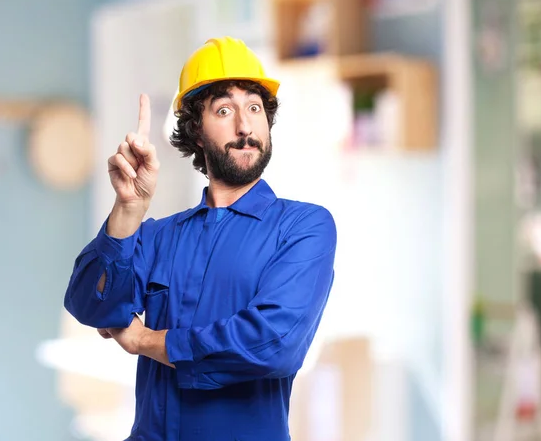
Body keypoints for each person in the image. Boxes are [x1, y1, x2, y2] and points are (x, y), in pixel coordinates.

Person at [64, 36, 337, 441]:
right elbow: (89, 303)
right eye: (224, 110)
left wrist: (145, 339)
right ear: (195, 132)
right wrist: (129, 208)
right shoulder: (158, 235)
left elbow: (271, 343)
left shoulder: (303, 228)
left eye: (255, 108)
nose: (244, 126)